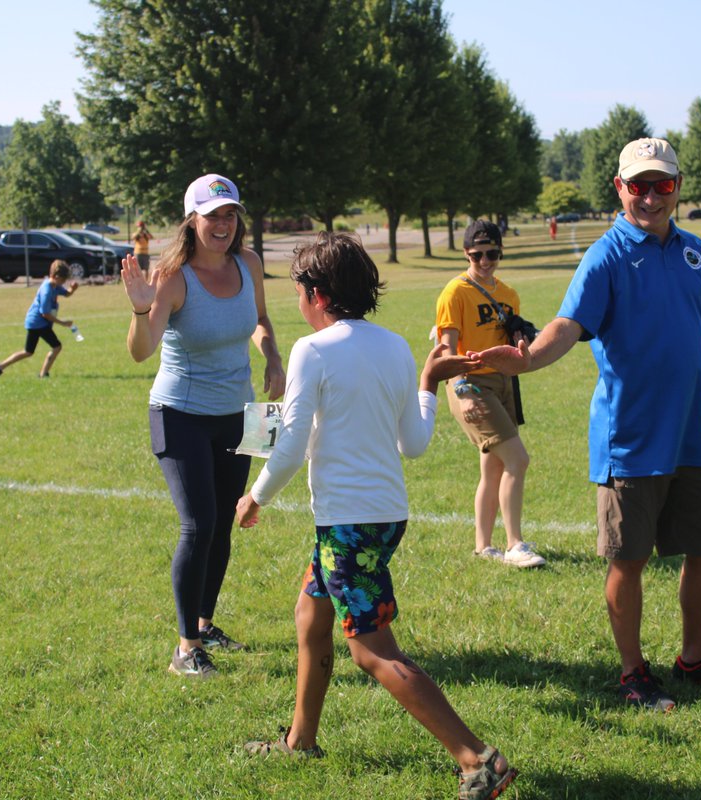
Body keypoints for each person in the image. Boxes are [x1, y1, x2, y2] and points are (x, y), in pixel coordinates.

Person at [235, 232, 517, 800]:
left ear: (314, 293)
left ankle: (479, 760)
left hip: (348, 523)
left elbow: (288, 446)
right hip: (383, 517)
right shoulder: (393, 346)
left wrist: (256, 496)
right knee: (310, 616)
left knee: (372, 650)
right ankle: (300, 740)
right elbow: (413, 444)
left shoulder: (312, 351)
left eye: (296, 290)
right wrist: (428, 385)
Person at [469, 138, 701, 713]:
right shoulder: (606, 257)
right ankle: (631, 671)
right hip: (632, 439)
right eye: (637, 185)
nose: (649, 196)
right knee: (630, 559)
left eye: (661, 185)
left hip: (693, 434)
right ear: (619, 188)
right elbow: (567, 326)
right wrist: (526, 359)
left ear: (677, 187)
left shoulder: (697, 254)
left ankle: (693, 656)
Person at [120, 173, 286, 678]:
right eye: (213, 215)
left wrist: (273, 358)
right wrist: (140, 306)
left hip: (240, 414)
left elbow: (259, 319)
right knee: (198, 524)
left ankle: (205, 622)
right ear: (192, 220)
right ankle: (185, 647)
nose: (223, 224)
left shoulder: (249, 263)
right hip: (180, 414)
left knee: (225, 523)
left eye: (230, 214)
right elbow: (140, 351)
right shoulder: (173, 277)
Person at [434, 219, 544, 568]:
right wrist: (460, 388)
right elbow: (445, 350)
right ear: (466, 253)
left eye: (492, 253)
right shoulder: (455, 292)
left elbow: (510, 346)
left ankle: (484, 546)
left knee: (494, 467)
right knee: (518, 460)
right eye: (478, 254)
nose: (485, 261)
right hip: (471, 383)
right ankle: (515, 544)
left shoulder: (509, 294)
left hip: (503, 383)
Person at [0, 260, 78, 379]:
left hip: (36, 323)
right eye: (63, 280)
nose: (64, 282)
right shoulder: (47, 290)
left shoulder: (54, 285)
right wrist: (63, 323)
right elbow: (45, 314)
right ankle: (43, 374)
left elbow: (66, 294)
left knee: (28, 351)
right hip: (38, 323)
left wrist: (73, 289)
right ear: (56, 277)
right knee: (56, 346)